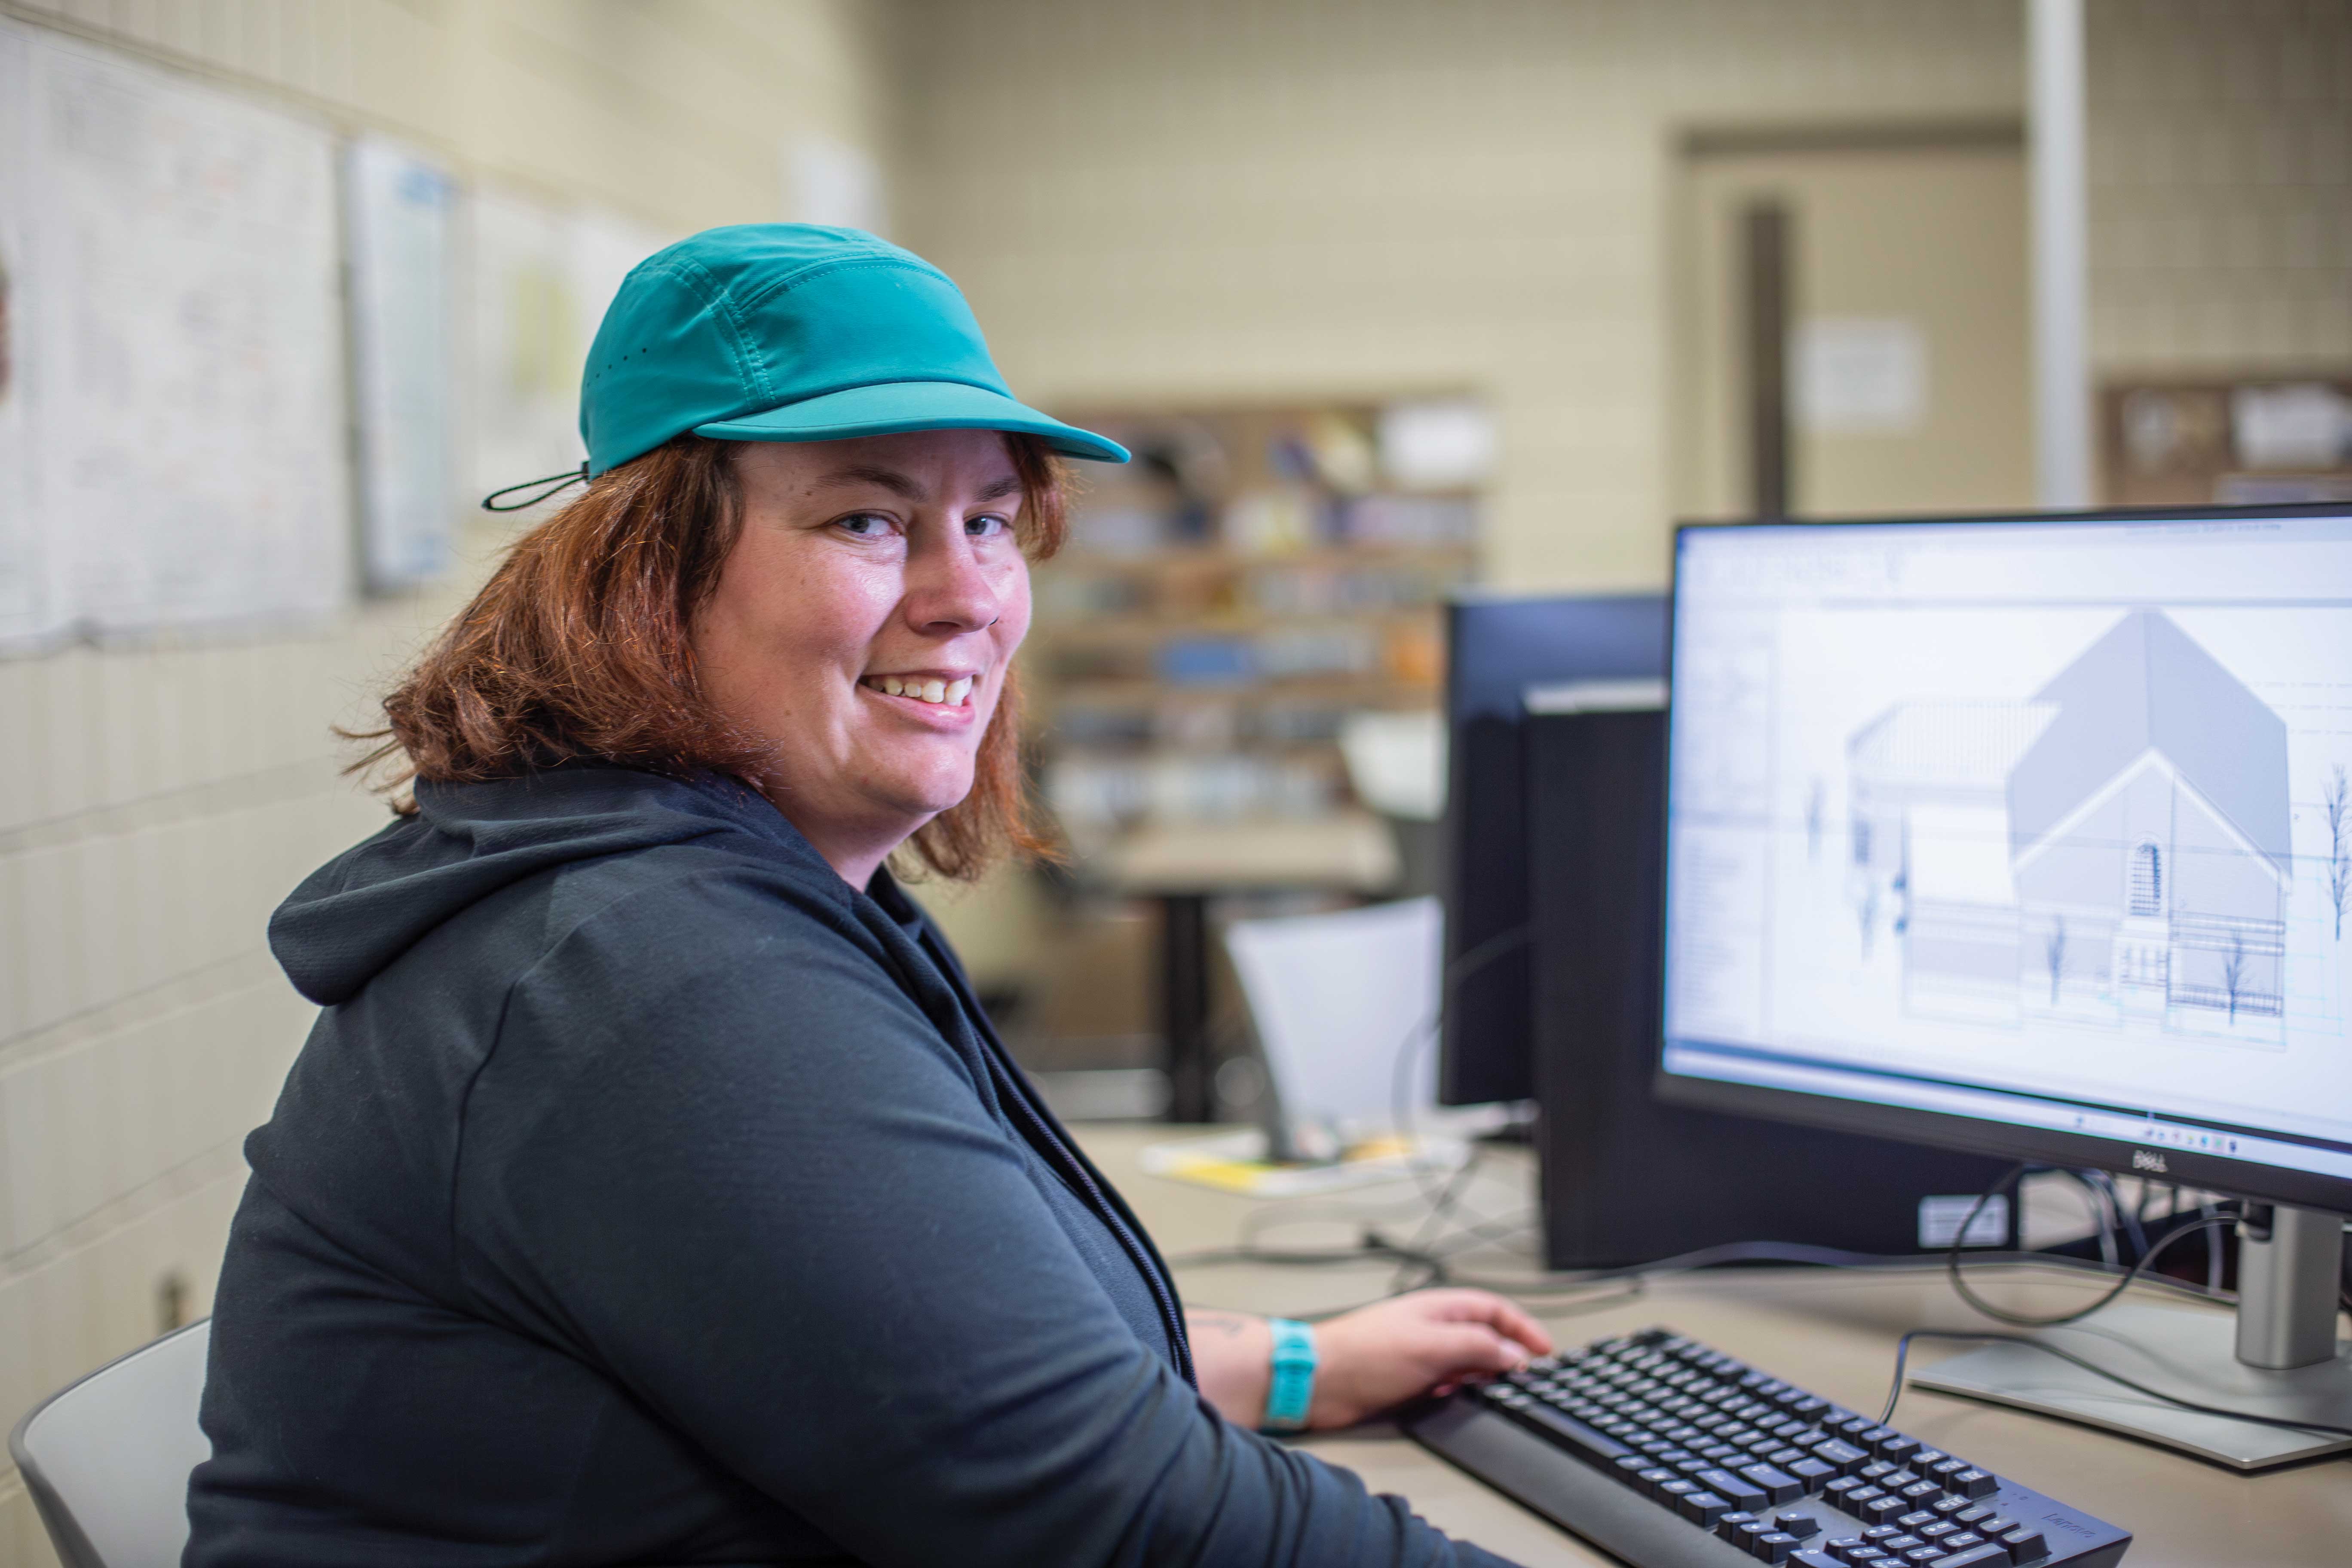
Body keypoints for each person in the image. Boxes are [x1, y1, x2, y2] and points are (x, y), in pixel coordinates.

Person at [186, 225, 1550, 1566]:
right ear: (642, 584)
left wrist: (1286, 1366)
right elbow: (1124, 1519)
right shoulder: (656, 981)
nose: (970, 597)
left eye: (994, 522)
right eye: (868, 519)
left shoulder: (694, 896)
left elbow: (925, 1345)